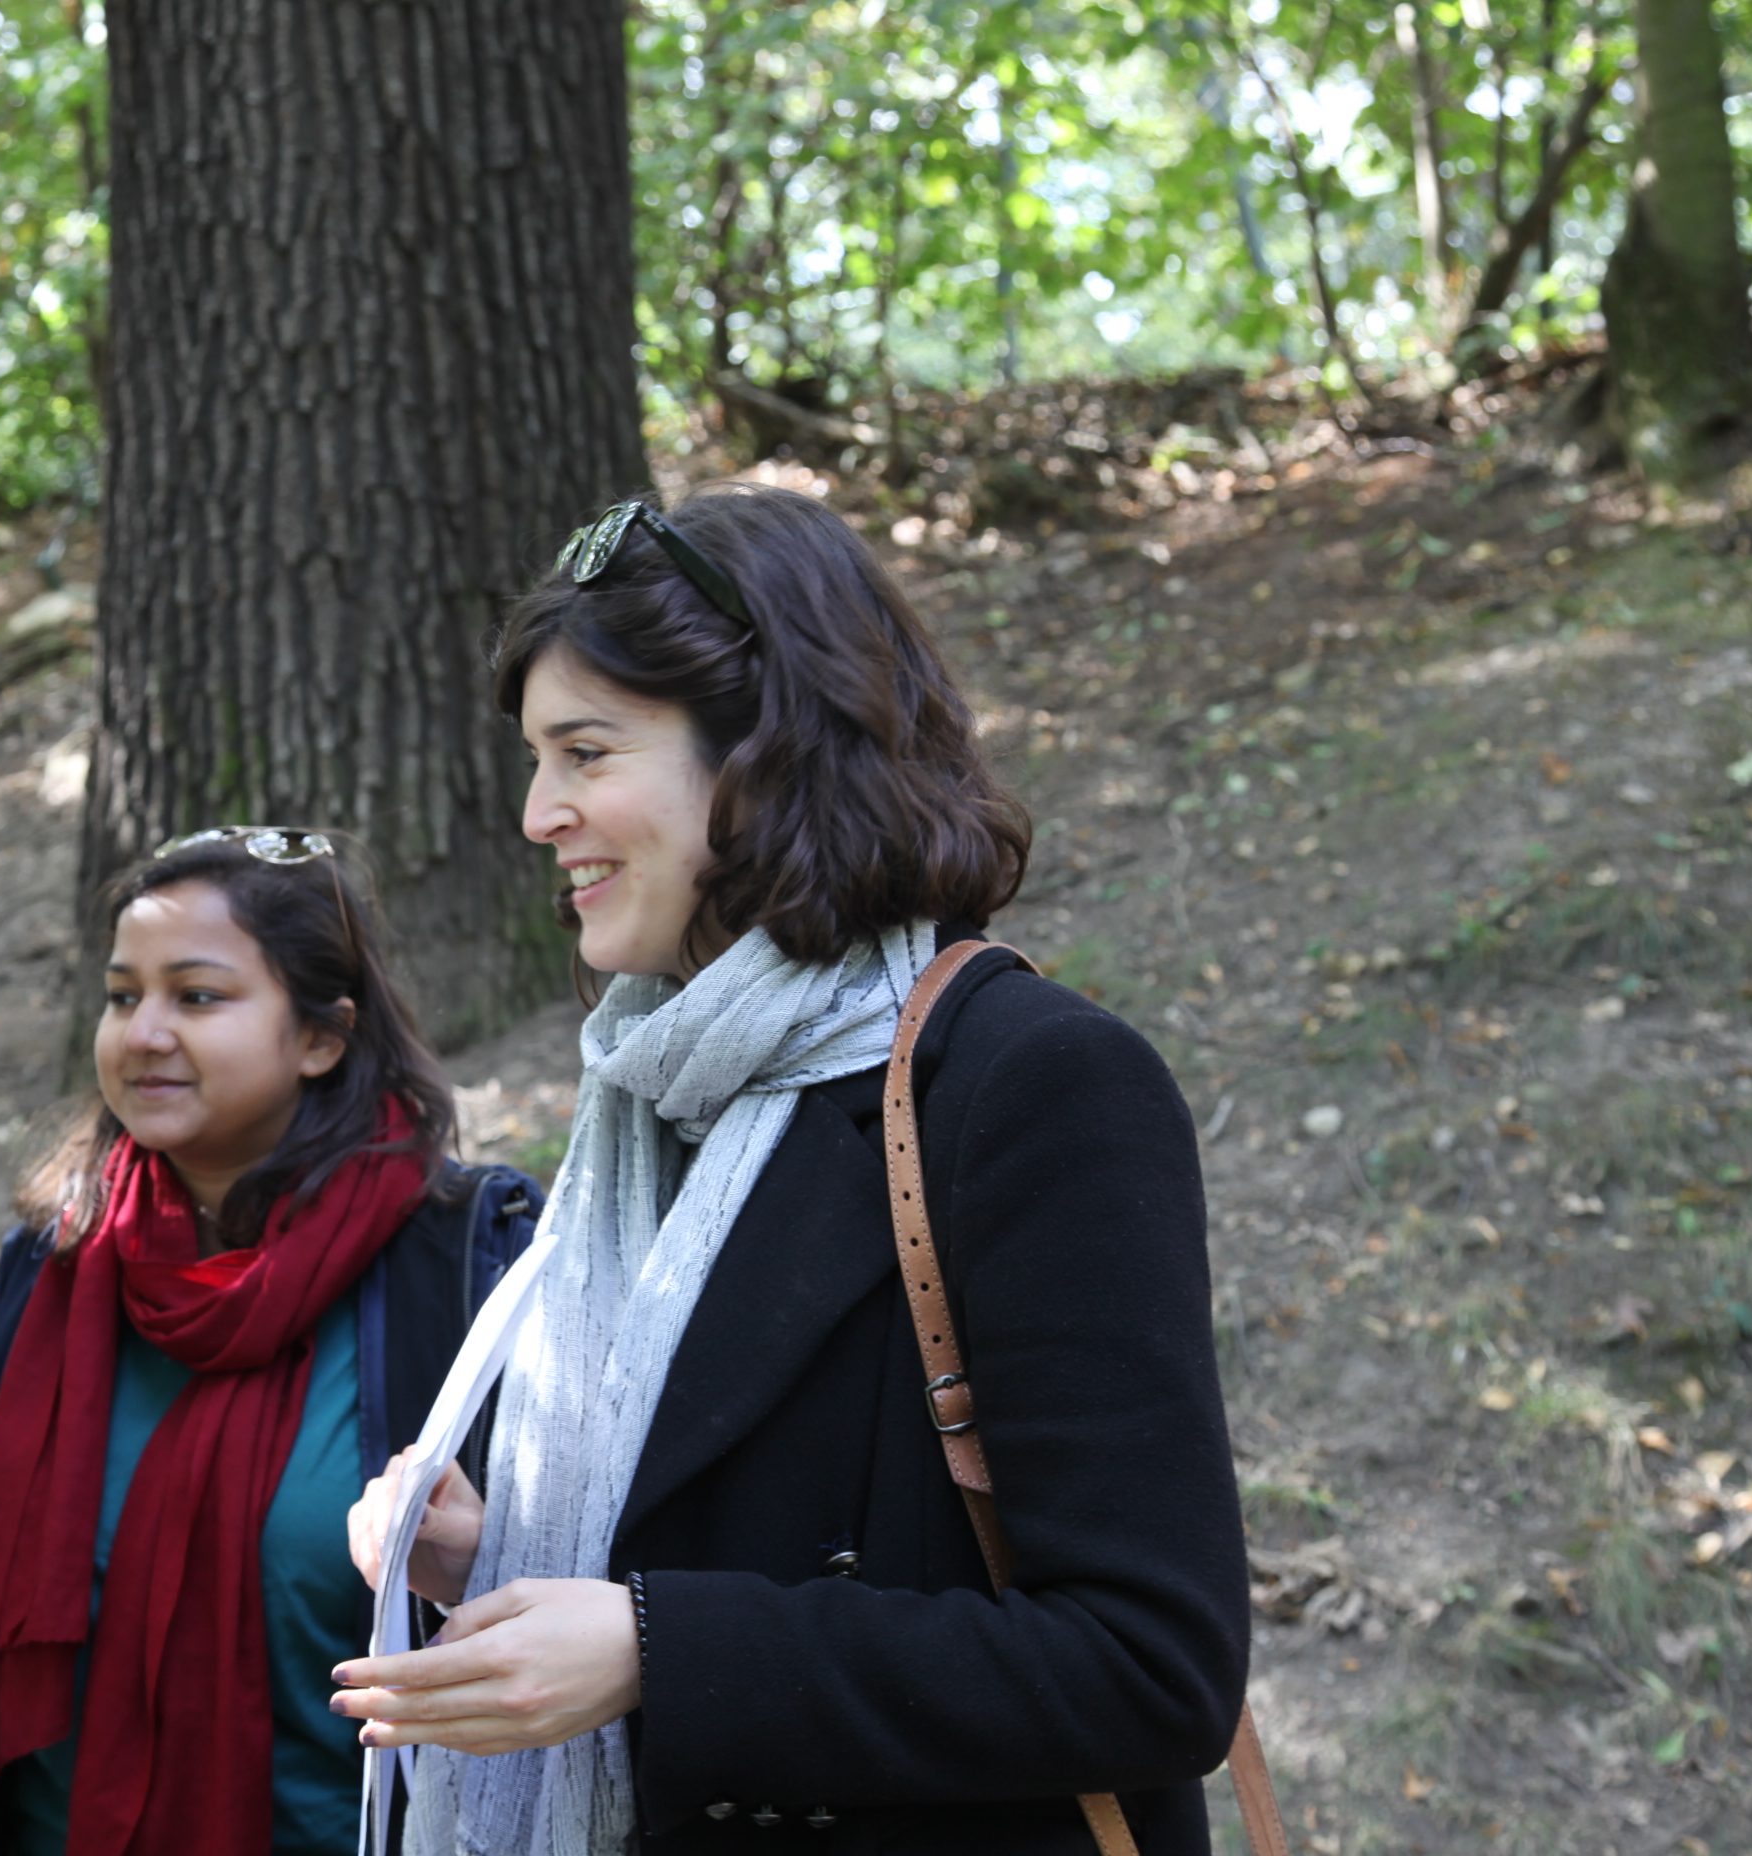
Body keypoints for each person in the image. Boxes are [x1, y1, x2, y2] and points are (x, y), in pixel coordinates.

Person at [334, 485, 1252, 1853]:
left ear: (765, 752)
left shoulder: (1028, 1083)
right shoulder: (646, 1111)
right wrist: (499, 1556)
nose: (538, 814)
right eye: (537, 759)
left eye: (584, 752)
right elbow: (716, 1520)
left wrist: (661, 1648)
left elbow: (1151, 1665)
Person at [0, 829, 541, 1856]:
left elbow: (543, 1598)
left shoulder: (463, 1264)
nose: (142, 1032)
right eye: (121, 993)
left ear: (321, 1036)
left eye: (197, 995)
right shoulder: (54, 1264)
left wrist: (476, 1555)